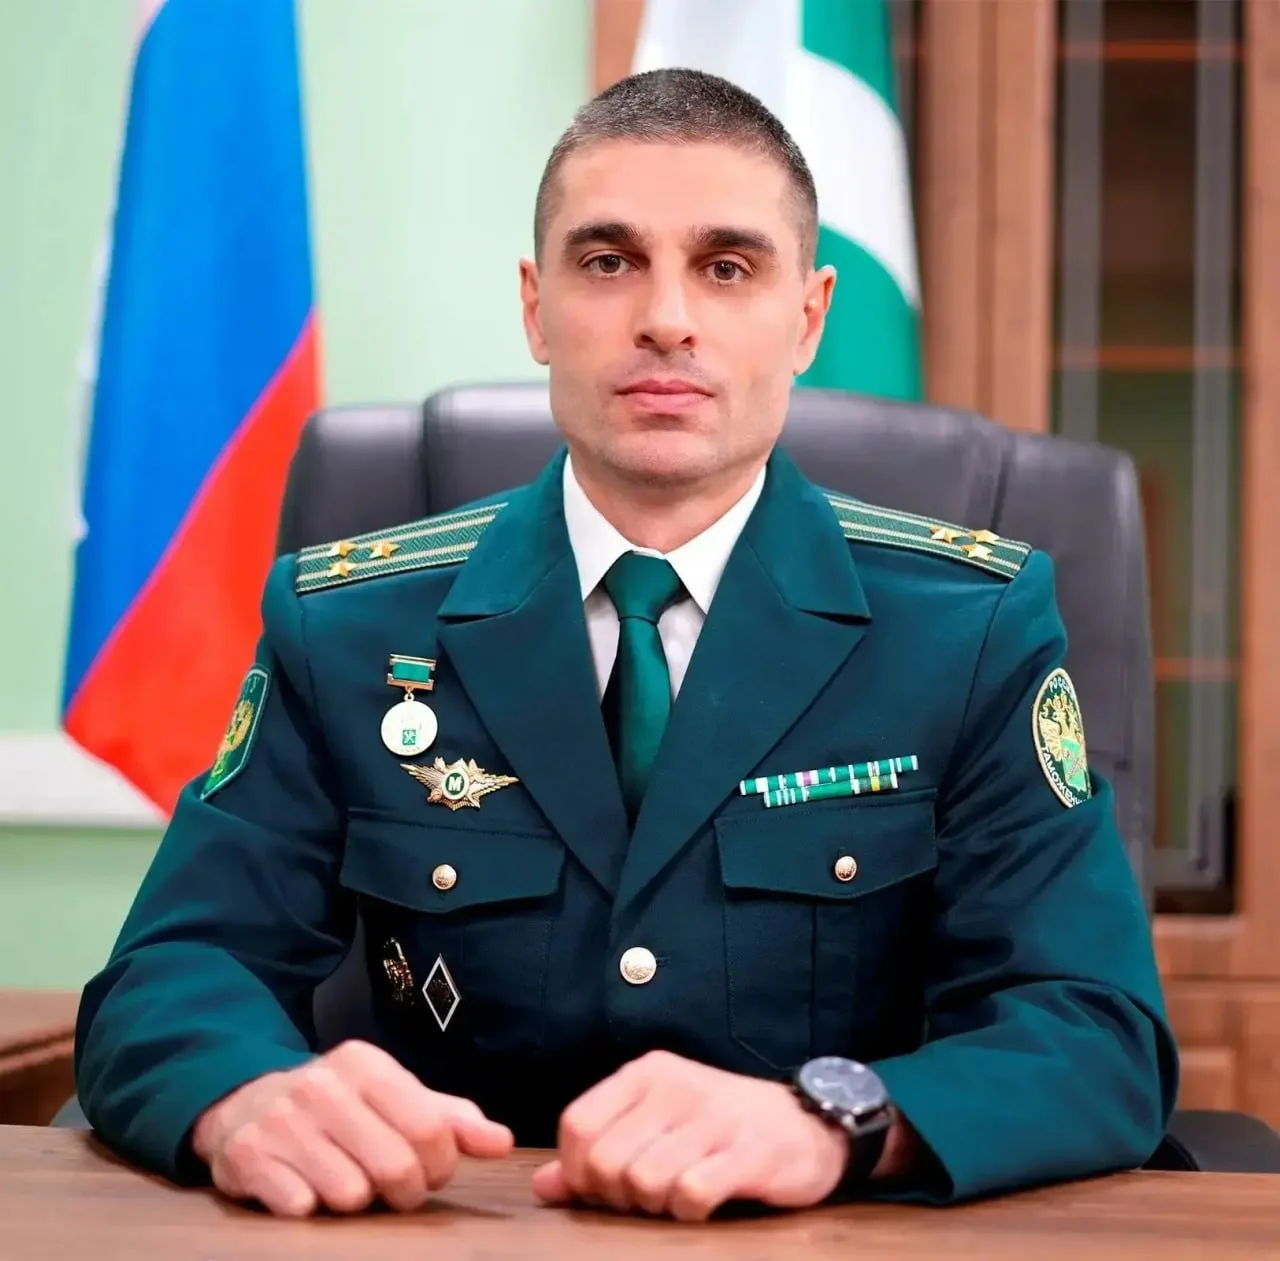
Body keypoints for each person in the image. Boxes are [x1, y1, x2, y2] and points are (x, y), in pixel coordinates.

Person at [74, 68, 1178, 1221]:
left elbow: (1089, 1028)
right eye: (608, 262)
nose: (665, 317)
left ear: (808, 317)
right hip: (449, 1232)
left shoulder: (967, 630)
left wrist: (838, 1118)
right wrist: (242, 1096)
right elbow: (173, 972)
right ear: (534, 307)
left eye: (726, 266)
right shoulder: (348, 624)